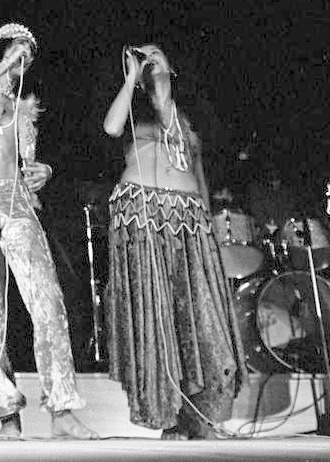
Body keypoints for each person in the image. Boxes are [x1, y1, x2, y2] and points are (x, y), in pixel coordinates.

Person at [0, 22, 97, 440]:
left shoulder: (24, 109)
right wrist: (4, 65)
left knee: (47, 297)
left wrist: (41, 170)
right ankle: (6, 413)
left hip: (14, 196)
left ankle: (61, 408)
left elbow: (22, 159)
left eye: (29, 49)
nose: (24, 53)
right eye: (16, 46)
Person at [102, 43, 244, 439]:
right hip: (140, 213)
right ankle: (171, 418)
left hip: (188, 219)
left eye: (156, 55)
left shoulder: (187, 115)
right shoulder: (133, 110)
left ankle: (203, 416)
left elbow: (198, 173)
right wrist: (132, 76)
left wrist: (209, 226)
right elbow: (111, 127)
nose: (149, 59)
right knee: (156, 316)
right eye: (143, 55)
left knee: (199, 318)